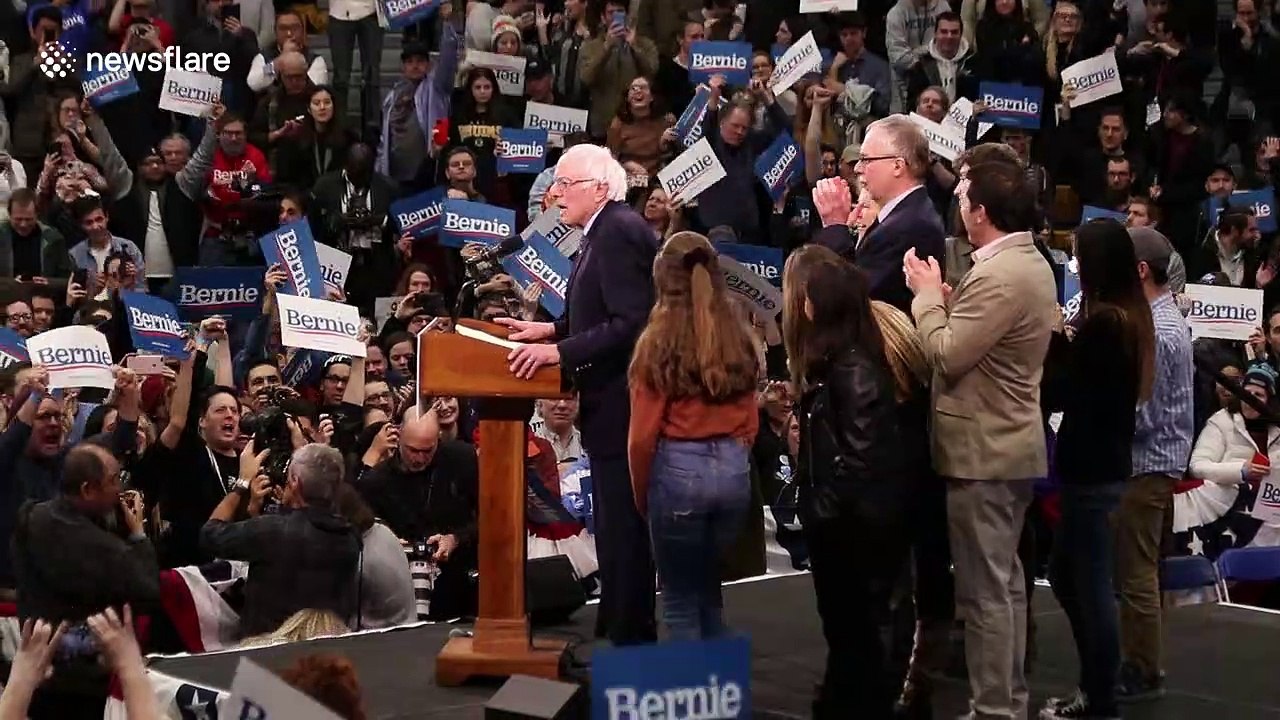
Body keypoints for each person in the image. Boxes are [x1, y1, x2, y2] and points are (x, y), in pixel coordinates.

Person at [903, 159, 1058, 719]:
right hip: (1005, 446)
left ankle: (996, 710)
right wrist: (949, 305)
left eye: (964, 198)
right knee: (1007, 586)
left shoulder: (1000, 274)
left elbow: (945, 354)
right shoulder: (1023, 262)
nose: (958, 205)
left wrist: (926, 297)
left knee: (987, 595)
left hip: (984, 455)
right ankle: (1005, 703)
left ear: (981, 213)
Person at [497, 143, 659, 645]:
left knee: (624, 531)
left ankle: (630, 640)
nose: (554, 192)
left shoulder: (618, 232)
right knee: (613, 528)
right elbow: (599, 311)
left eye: (566, 183)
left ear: (601, 188)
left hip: (623, 403)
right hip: (608, 404)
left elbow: (631, 322)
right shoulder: (600, 232)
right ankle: (617, 628)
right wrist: (550, 332)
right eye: (555, 183)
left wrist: (560, 354)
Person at [783, 245, 909, 717]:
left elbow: (860, 462)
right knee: (844, 632)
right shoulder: (838, 364)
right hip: (844, 528)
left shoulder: (853, 369)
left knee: (857, 634)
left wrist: (822, 510)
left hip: (853, 533)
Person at [1040, 219, 1155, 720]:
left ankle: (1098, 694)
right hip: (1099, 468)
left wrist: (1053, 345)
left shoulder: (1105, 325)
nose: (1076, 266)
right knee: (1069, 576)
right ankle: (1095, 686)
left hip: (1092, 471)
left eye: (1081, 256)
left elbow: (1068, 392)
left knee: (1089, 587)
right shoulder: (1127, 319)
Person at [627, 232, 758, 640]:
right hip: (734, 474)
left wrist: (643, 494)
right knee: (707, 589)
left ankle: (693, 698)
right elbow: (750, 415)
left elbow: (641, 438)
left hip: (679, 474)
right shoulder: (738, 333)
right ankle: (721, 691)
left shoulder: (656, 341)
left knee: (681, 599)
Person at [1115, 226, 1194, 703]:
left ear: (1140, 270)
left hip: (1146, 466)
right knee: (1138, 568)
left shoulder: (1159, 333)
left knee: (1137, 571)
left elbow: (1145, 413)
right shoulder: (1160, 322)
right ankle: (1140, 660)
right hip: (1152, 464)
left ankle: (1143, 667)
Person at [200, 443, 362, 636]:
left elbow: (209, 535)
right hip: (322, 654)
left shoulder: (272, 530)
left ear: (294, 482)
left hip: (265, 656)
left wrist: (242, 483)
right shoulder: (350, 537)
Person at [813, 115, 946, 313]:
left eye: (866, 159)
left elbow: (850, 299)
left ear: (897, 166)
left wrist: (834, 226)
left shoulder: (910, 225)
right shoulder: (904, 215)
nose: (858, 168)